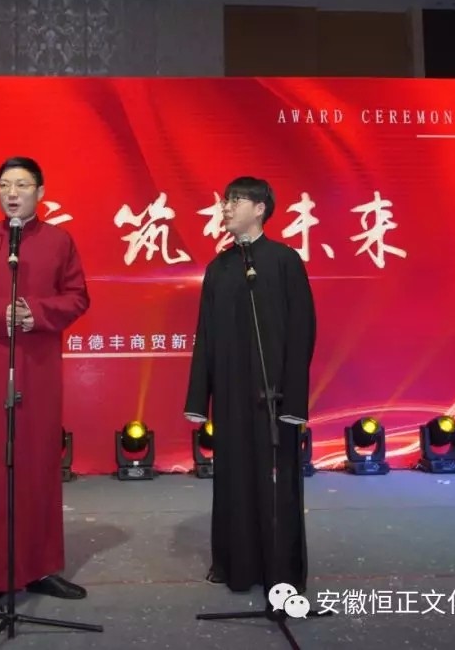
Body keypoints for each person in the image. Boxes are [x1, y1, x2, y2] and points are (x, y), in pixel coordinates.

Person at [0, 156, 91, 613]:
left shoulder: (59, 241)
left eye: (23, 185)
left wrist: (37, 314)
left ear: (40, 192)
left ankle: (41, 567)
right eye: (5, 185)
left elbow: (78, 296)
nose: (12, 193)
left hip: (40, 362)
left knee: (38, 462)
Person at [183, 176, 317, 612]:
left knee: (277, 484)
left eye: (235, 200)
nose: (225, 208)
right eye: (225, 201)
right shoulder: (218, 268)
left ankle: (283, 570)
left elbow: (302, 331)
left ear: (260, 208)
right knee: (234, 479)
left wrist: (295, 402)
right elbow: (205, 336)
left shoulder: (284, 261)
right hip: (231, 393)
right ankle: (236, 565)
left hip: (275, 396)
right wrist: (198, 400)